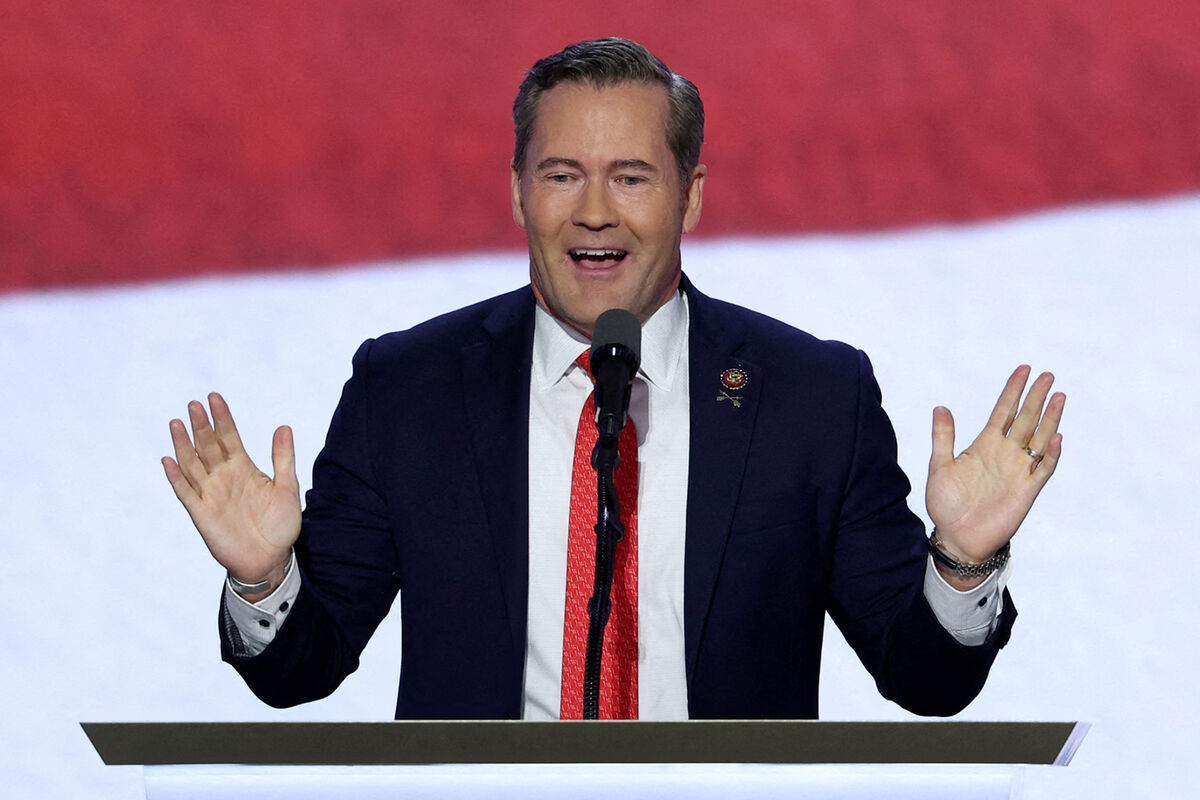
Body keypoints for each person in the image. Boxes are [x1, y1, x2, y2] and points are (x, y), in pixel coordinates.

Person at [163, 38, 1064, 720]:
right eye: (562, 175)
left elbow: (925, 679)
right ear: (519, 192)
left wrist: (962, 563)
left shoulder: (813, 397)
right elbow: (302, 671)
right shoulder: (407, 389)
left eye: (631, 177)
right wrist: (264, 581)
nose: (595, 212)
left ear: (691, 196)